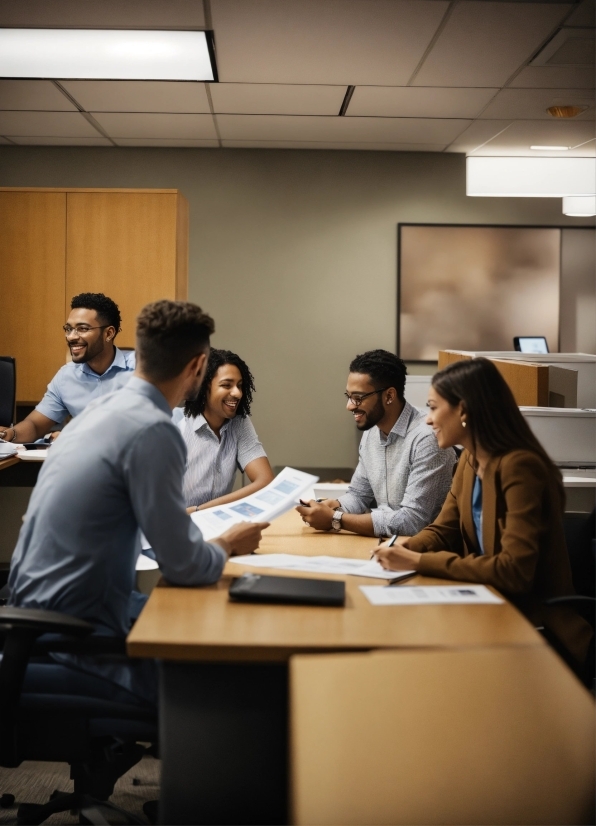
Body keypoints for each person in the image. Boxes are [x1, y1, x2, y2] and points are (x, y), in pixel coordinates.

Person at [8, 300, 268, 706]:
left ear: (138, 355)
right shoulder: (153, 431)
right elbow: (184, 566)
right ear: (199, 367)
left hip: (42, 611)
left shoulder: (99, 413)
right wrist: (229, 544)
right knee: (222, 680)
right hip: (72, 632)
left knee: (190, 622)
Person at [372, 357, 592, 668]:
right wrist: (406, 546)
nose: (428, 419)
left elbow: (513, 571)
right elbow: (443, 529)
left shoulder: (520, 467)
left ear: (463, 410)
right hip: (490, 606)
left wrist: (419, 561)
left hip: (535, 624)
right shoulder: (470, 460)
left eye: (434, 407)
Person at [297, 349, 456, 537]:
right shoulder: (371, 432)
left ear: (389, 396)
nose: (349, 406)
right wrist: (335, 506)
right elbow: (358, 495)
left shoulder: (427, 438)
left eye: (358, 398)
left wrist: (335, 519)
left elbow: (413, 522)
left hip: (420, 551)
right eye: (348, 396)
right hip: (385, 545)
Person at [0, 292, 135, 444]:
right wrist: (9, 434)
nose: (71, 336)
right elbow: (35, 425)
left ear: (109, 333)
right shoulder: (67, 376)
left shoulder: (144, 370)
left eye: (82, 329)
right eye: (68, 329)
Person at [178, 348, 274, 512]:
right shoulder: (175, 424)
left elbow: (265, 481)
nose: (237, 393)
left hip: (215, 524)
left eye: (240, 385)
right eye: (226, 385)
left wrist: (199, 510)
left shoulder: (239, 423)